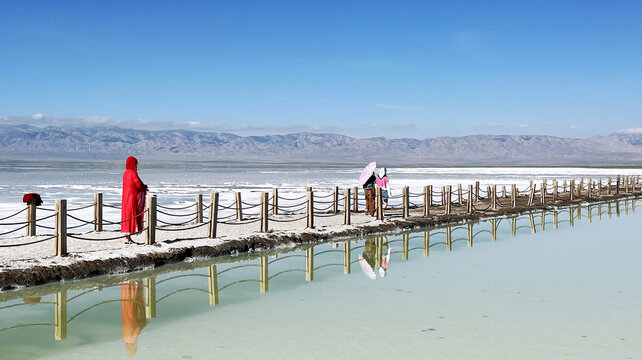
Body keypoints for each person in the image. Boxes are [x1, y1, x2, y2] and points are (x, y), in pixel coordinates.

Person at [121, 156, 147, 244]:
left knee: (126, 216)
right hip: (132, 198)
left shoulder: (125, 173)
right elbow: (138, 185)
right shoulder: (132, 173)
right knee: (132, 215)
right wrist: (144, 187)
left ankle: (127, 237)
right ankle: (128, 238)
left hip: (125, 198)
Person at [121, 280, 147, 356]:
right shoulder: (125, 339)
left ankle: (133, 284)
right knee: (129, 303)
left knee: (134, 302)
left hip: (132, 318)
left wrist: (144, 325)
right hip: (127, 318)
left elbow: (138, 327)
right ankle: (128, 284)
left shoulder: (133, 339)